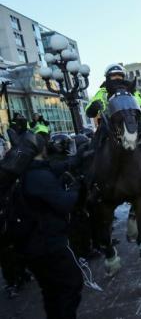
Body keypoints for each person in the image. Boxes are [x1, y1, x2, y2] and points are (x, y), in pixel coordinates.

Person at [18, 134, 83, 319]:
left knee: (51, 291)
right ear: (41, 149)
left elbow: (55, 168)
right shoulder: (37, 176)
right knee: (70, 285)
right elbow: (64, 203)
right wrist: (74, 189)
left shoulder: (27, 171)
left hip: (32, 245)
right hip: (48, 244)